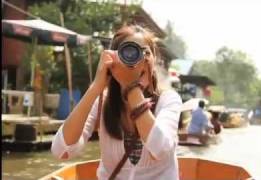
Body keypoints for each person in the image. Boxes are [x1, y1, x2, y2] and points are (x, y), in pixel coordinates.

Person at [51, 25, 182, 180]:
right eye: (128, 52)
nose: (136, 60)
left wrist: (131, 88)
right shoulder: (102, 102)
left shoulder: (168, 99)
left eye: (144, 53)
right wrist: (95, 88)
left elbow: (160, 149)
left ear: (154, 61)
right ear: (114, 58)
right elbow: (61, 151)